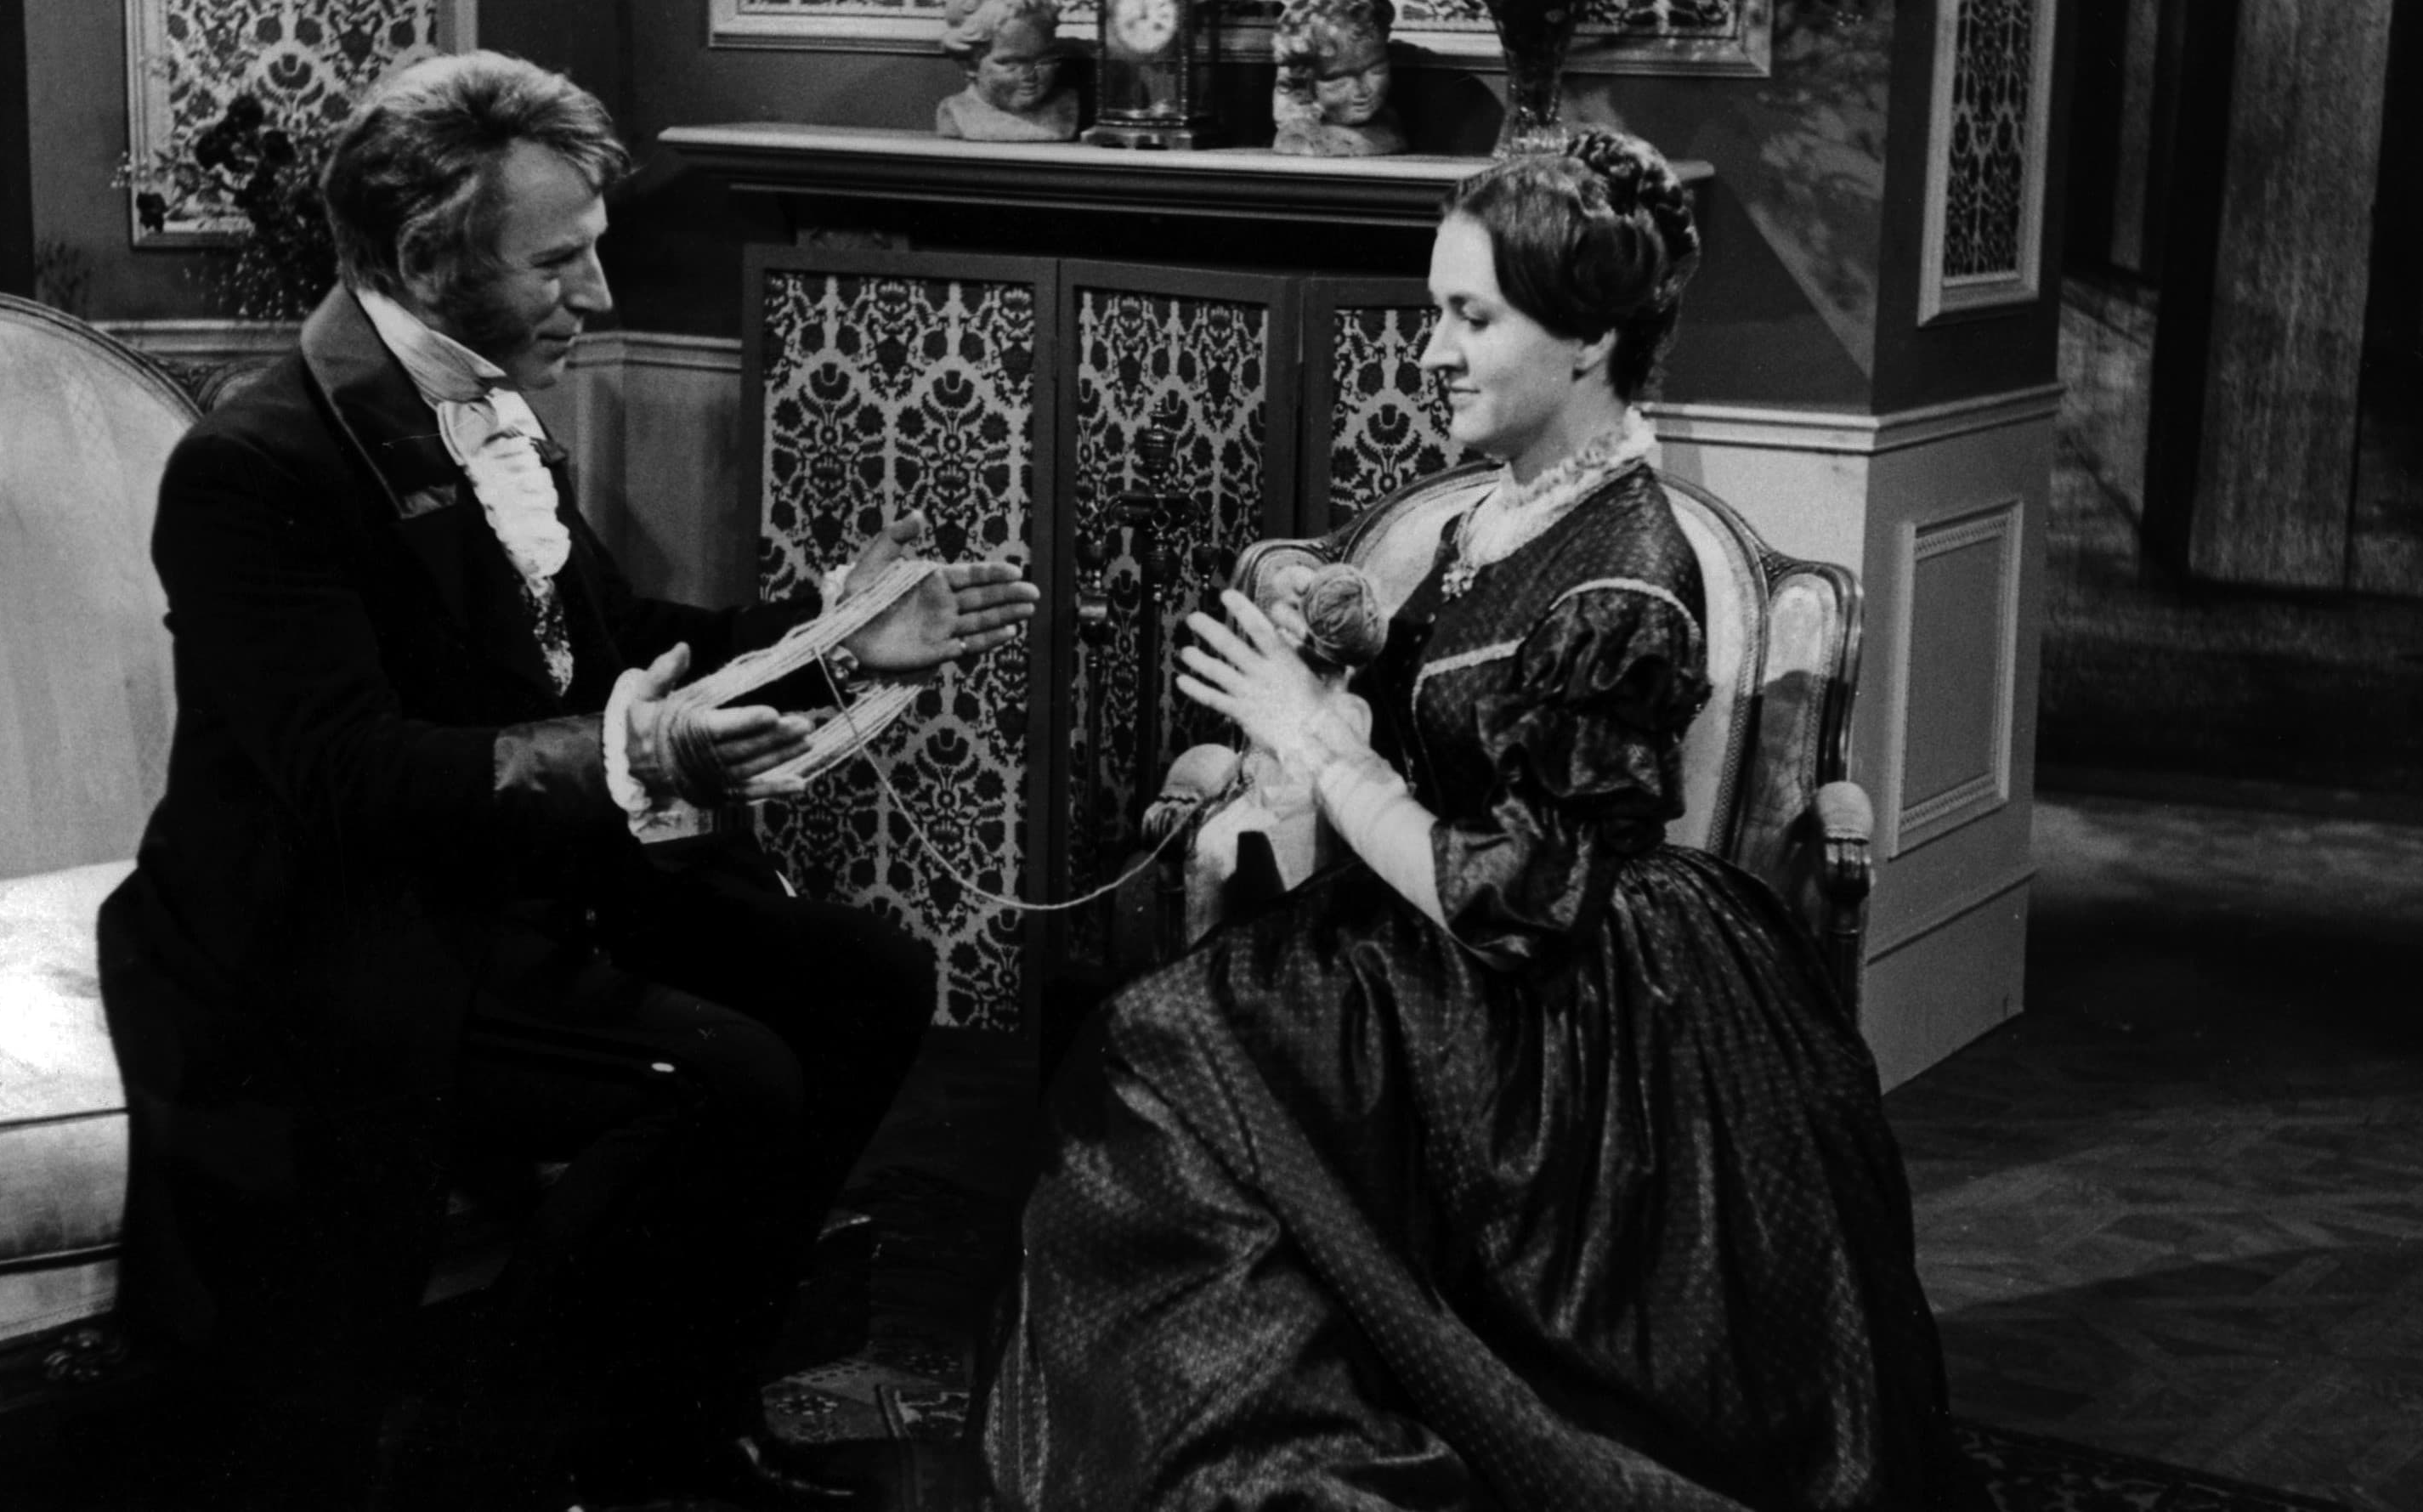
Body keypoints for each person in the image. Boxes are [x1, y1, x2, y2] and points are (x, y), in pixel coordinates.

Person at [96, 49, 1037, 1512]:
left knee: (865, 978)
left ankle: (670, 1431)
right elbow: (346, 777)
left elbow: (619, 642)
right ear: (428, 261)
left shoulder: (485, 403)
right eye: (557, 262)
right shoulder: (253, 464)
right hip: (327, 924)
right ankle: (495, 1465)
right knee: (725, 1074)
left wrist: (836, 638)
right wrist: (633, 751)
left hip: (500, 882)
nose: (596, 295)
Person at [978, 128, 1952, 1509]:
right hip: (1422, 942)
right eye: (1433, 309)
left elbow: (1522, 900)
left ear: (1589, 339)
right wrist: (1346, 661)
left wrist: (1316, 743)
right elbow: (1459, 710)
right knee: (1151, 1050)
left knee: (1167, 1056)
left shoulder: (1627, 580)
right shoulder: (1507, 511)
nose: (1428, 350)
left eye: (1470, 317)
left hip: (1553, 1008)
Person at [1271, 0, 1407, 158]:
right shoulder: (1299, 135)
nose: (1361, 91)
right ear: (1305, 85)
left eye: (1376, 71)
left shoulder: (1389, 127)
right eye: (1338, 80)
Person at [934, 0, 1079, 143]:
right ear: (971, 65)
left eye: (1042, 61)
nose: (1030, 74)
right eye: (1010, 63)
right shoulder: (958, 112)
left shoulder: (1065, 108)